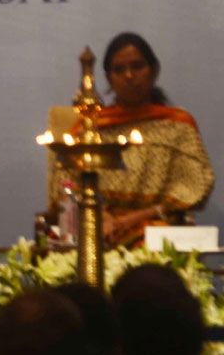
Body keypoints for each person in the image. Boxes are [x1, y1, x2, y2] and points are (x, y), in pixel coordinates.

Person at [89, 32, 214, 246]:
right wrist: (102, 217)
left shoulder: (177, 125)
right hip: (101, 225)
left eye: (137, 66)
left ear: (154, 71)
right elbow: (68, 184)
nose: (129, 75)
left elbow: (195, 186)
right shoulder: (93, 127)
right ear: (109, 78)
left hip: (157, 227)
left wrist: (133, 219)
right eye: (119, 69)